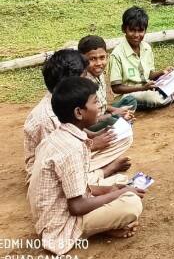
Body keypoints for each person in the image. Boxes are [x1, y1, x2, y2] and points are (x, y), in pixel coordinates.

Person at [28, 76, 144, 255]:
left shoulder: (61, 136)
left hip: (51, 213)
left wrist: (110, 189)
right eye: (95, 102)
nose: (99, 107)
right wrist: (120, 193)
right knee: (131, 204)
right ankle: (88, 232)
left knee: (120, 181)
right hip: (59, 225)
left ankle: (105, 221)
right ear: (78, 113)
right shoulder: (72, 149)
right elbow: (77, 207)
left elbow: (76, 187)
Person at [23, 49, 131, 185]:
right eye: (83, 77)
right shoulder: (46, 118)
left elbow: (72, 129)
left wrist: (94, 135)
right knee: (122, 184)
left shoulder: (66, 100)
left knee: (123, 137)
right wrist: (92, 146)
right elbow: (54, 158)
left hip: (74, 154)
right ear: (69, 81)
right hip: (48, 175)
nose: (85, 81)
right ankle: (101, 173)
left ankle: (92, 172)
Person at [109, 6, 174, 110]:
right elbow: (116, 88)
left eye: (141, 31)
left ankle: (161, 94)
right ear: (123, 29)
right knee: (151, 97)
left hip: (147, 87)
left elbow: (149, 75)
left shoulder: (146, 47)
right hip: (128, 95)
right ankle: (170, 97)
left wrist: (163, 72)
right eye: (132, 30)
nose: (136, 35)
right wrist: (142, 88)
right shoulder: (117, 54)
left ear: (145, 30)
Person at [78, 35, 137, 131]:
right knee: (110, 121)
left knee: (130, 100)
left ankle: (120, 121)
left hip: (103, 113)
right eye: (92, 59)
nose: (98, 63)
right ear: (82, 60)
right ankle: (120, 122)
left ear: (107, 56)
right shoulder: (84, 82)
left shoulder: (99, 73)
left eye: (102, 57)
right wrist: (114, 114)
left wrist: (116, 110)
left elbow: (102, 105)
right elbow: (87, 119)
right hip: (92, 122)